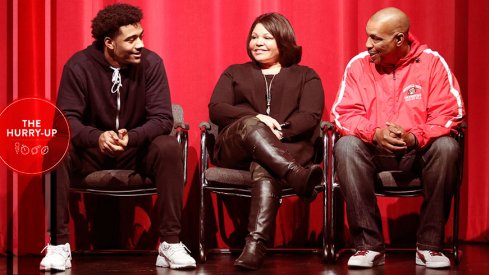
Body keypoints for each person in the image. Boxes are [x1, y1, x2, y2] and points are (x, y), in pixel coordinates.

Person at [40, 4, 196, 271]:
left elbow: (162, 118)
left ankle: (170, 243)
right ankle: (58, 244)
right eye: (132, 39)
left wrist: (132, 137)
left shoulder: (151, 63)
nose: (140, 44)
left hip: (136, 152)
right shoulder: (79, 66)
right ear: (109, 43)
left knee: (170, 146)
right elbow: (65, 119)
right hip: (91, 152)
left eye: (141, 36)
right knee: (55, 145)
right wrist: (97, 137)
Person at [331, 7, 465, 269]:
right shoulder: (358, 65)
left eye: (376, 39)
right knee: (346, 146)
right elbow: (343, 115)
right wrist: (375, 134)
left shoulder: (432, 63)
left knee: (448, 147)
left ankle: (430, 246)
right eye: (367, 37)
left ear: (399, 39)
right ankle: (368, 246)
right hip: (374, 151)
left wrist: (415, 136)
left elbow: (450, 112)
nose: (368, 45)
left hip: (418, 151)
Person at [209, 12, 325, 270]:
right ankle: (297, 177)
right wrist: (257, 118)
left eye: (266, 37)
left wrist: (278, 132)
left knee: (266, 163)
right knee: (253, 124)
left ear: (283, 41)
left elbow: (310, 116)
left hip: (286, 147)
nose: (257, 42)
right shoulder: (234, 72)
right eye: (253, 37)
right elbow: (217, 109)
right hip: (235, 149)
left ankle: (255, 245)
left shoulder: (306, 75)